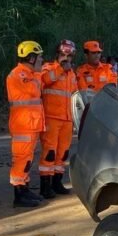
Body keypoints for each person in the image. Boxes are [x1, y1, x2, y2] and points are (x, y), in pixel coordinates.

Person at [6, 41, 45, 208]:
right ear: (31, 58)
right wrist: (39, 73)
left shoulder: (29, 74)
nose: (42, 61)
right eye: (40, 57)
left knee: (27, 159)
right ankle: (19, 195)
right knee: (21, 159)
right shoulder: (19, 75)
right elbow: (34, 90)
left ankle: (24, 188)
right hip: (23, 124)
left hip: (30, 123)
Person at [38, 39, 77, 199]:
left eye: (69, 54)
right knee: (50, 152)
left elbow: (75, 95)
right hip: (51, 118)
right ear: (58, 53)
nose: (67, 57)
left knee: (63, 153)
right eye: (63, 54)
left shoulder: (72, 74)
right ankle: (45, 186)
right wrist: (61, 68)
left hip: (67, 119)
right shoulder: (48, 67)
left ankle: (57, 182)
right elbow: (45, 81)